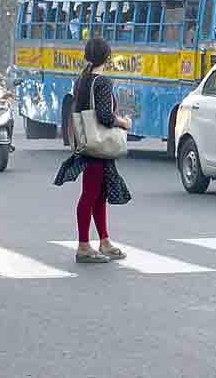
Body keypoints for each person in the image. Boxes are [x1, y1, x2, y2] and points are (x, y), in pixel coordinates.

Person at [53, 38, 132, 263]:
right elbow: (105, 117)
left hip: (87, 141)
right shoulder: (103, 81)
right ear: (108, 57)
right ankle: (84, 246)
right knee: (90, 195)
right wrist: (124, 123)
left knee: (98, 194)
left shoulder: (83, 79)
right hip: (99, 144)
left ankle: (104, 241)